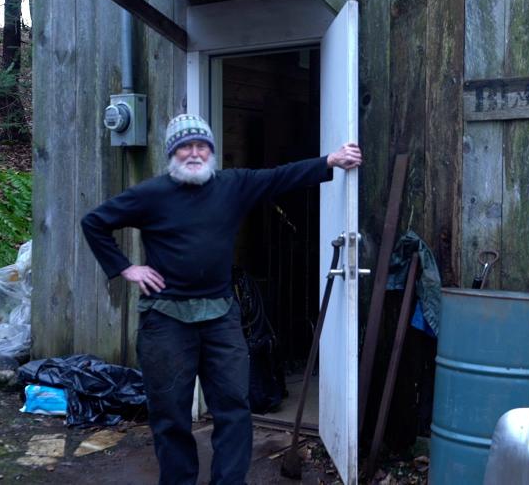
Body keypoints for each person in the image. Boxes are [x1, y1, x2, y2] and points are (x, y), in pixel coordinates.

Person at [80, 113, 362, 485]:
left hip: (220, 315)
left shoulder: (232, 184)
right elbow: (94, 222)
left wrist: (330, 160)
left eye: (201, 146)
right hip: (166, 319)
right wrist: (125, 268)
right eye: (185, 146)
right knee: (170, 414)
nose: (194, 153)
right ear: (172, 153)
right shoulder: (151, 193)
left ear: (211, 151)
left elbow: (279, 177)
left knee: (233, 408)